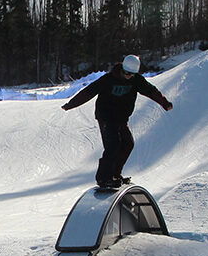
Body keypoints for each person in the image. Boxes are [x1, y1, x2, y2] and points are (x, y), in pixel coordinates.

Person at [62, 54, 173, 189]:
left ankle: (115, 173)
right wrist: (70, 104)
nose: (128, 76)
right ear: (122, 69)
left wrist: (164, 103)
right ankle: (103, 178)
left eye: (131, 74)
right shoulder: (108, 79)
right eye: (126, 73)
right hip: (106, 118)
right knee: (113, 146)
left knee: (128, 144)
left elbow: (151, 91)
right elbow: (88, 92)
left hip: (121, 119)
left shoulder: (136, 80)